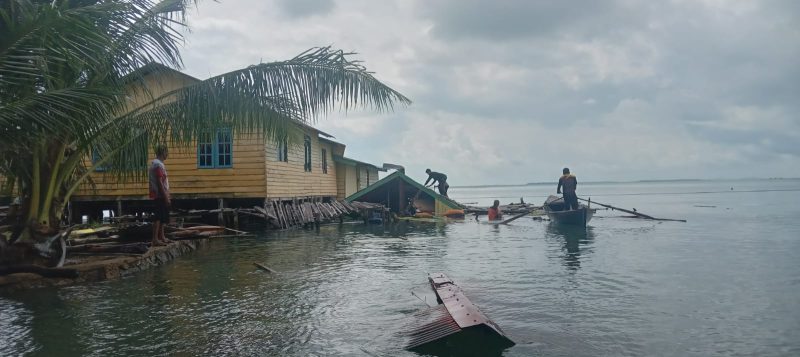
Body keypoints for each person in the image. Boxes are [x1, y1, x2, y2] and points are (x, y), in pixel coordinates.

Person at [149, 144, 172, 246]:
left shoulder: (158, 164)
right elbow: (159, 182)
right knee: (158, 217)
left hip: (161, 194)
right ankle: (155, 239)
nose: (167, 155)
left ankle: (162, 237)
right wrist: (165, 196)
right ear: (163, 153)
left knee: (163, 216)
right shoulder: (158, 165)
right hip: (160, 195)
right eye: (166, 152)